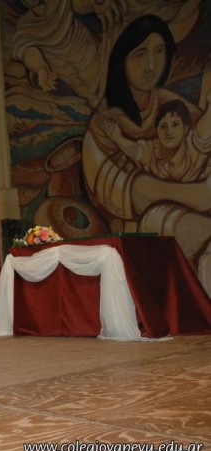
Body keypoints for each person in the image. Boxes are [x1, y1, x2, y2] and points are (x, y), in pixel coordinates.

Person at [82, 14, 211, 296]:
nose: (151, 65)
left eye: (160, 52)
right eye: (140, 54)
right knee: (152, 206)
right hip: (131, 225)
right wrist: (196, 194)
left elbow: (200, 148)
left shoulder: (171, 104)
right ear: (122, 60)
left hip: (178, 213)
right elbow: (121, 192)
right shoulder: (105, 120)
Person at [103, 97, 211, 182]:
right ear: (157, 131)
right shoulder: (153, 149)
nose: (168, 132)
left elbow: (202, 134)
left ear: (186, 129)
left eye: (175, 125)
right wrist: (118, 139)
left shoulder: (192, 147)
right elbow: (136, 151)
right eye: (163, 126)